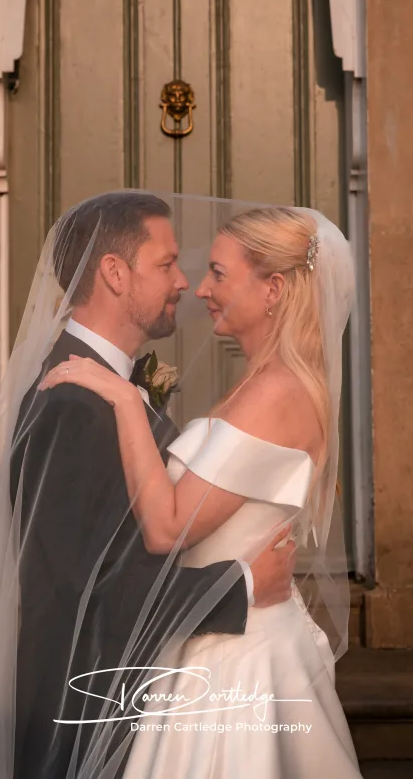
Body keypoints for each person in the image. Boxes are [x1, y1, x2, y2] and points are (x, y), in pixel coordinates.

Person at [0, 191, 298, 779]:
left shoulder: (106, 388)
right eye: (166, 263)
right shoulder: (71, 402)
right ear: (115, 274)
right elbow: (86, 588)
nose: (183, 282)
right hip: (83, 716)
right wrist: (240, 584)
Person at [40, 203, 363, 778]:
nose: (200, 288)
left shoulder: (278, 393)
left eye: (219, 272)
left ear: (274, 289)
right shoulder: (264, 383)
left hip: (240, 658)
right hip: (212, 639)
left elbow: (166, 528)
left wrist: (121, 399)